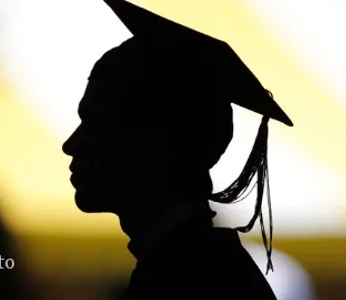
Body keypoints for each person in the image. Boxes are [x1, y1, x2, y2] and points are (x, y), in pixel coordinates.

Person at [62, 0, 293, 299]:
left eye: (96, 123)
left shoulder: (189, 281)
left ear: (155, 142)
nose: (71, 144)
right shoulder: (202, 266)